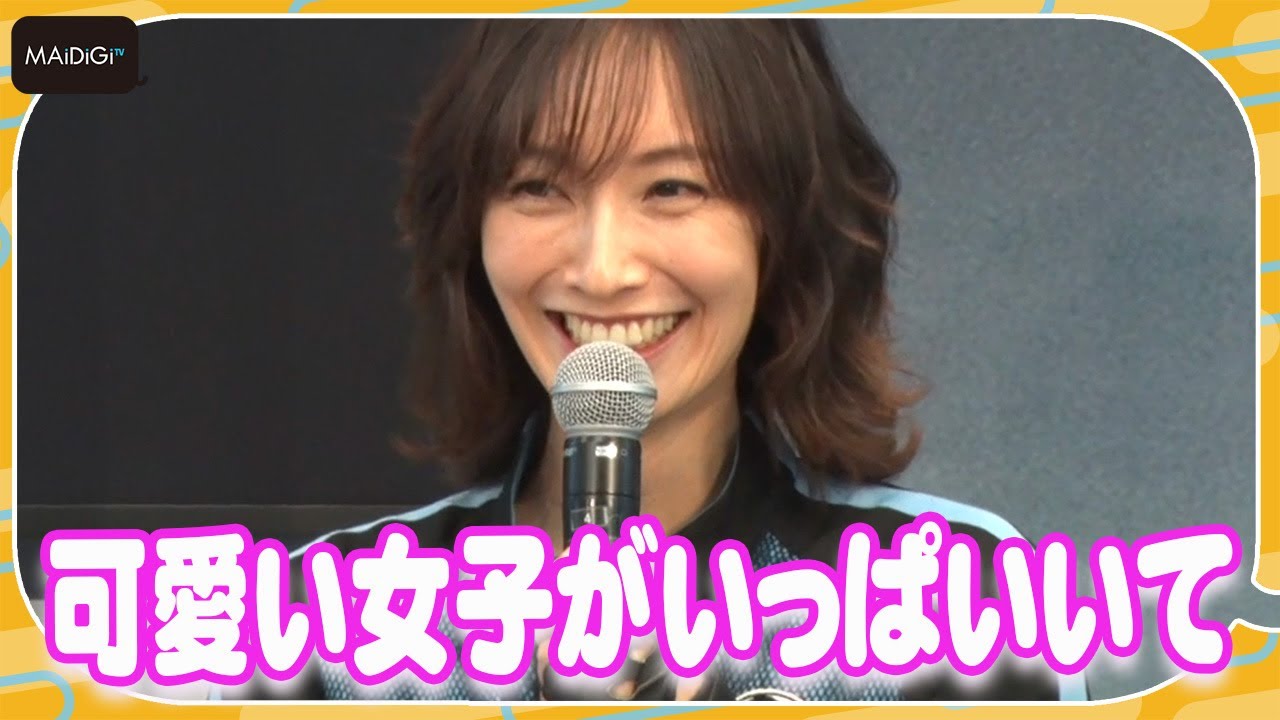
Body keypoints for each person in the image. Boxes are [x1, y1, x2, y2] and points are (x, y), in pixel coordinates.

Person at [236, 18, 1085, 702]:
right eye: (538, 186)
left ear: (782, 229)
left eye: (673, 188)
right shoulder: (320, 621)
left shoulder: (950, 598)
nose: (603, 269)